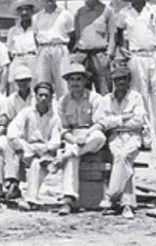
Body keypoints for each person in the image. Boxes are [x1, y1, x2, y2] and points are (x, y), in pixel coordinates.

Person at [114, 0, 156, 153]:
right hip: (136, 57)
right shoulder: (124, 13)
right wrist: (122, 49)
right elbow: (118, 35)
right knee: (141, 96)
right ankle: (145, 136)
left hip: (155, 56)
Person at [51, 63, 107, 215]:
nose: (75, 83)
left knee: (99, 137)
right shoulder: (63, 101)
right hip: (73, 138)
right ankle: (69, 199)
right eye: (71, 80)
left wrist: (86, 135)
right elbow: (63, 129)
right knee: (73, 157)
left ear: (85, 81)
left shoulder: (95, 98)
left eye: (78, 79)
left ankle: (67, 154)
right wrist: (75, 141)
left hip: (91, 135)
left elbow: (100, 123)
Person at [0, 82, 62, 211]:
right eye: (40, 95)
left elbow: (56, 141)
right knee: (7, 142)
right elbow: (12, 132)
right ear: (35, 96)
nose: (43, 98)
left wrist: (43, 149)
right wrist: (27, 147)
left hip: (45, 152)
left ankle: (30, 199)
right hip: (26, 150)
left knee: (37, 162)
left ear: (51, 97)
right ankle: (12, 185)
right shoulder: (26, 113)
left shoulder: (55, 118)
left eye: (46, 95)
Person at [95, 66, 146, 219]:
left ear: (129, 80)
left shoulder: (136, 97)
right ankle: (127, 205)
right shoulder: (106, 100)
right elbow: (100, 120)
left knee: (123, 157)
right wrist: (123, 118)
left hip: (133, 136)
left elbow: (139, 122)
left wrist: (114, 122)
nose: (120, 82)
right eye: (117, 79)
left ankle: (111, 196)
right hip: (115, 137)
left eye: (124, 78)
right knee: (122, 160)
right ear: (112, 81)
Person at [73, 0, 115, 94]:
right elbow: (77, 35)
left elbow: (113, 35)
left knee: (104, 91)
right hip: (82, 56)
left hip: (100, 55)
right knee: (83, 92)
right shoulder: (79, 12)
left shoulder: (107, 11)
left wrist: (109, 55)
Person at [33, 0, 74, 99]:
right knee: (42, 82)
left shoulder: (66, 14)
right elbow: (35, 37)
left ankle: (64, 111)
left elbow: (73, 36)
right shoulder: (36, 17)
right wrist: (42, 49)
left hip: (60, 48)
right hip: (43, 48)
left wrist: (64, 49)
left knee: (62, 83)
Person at [6, 0, 39, 94]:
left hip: (33, 59)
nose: (24, 12)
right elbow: (9, 51)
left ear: (32, 11)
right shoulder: (13, 31)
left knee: (33, 88)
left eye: (27, 9)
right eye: (21, 10)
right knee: (16, 89)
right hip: (17, 60)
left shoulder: (37, 28)